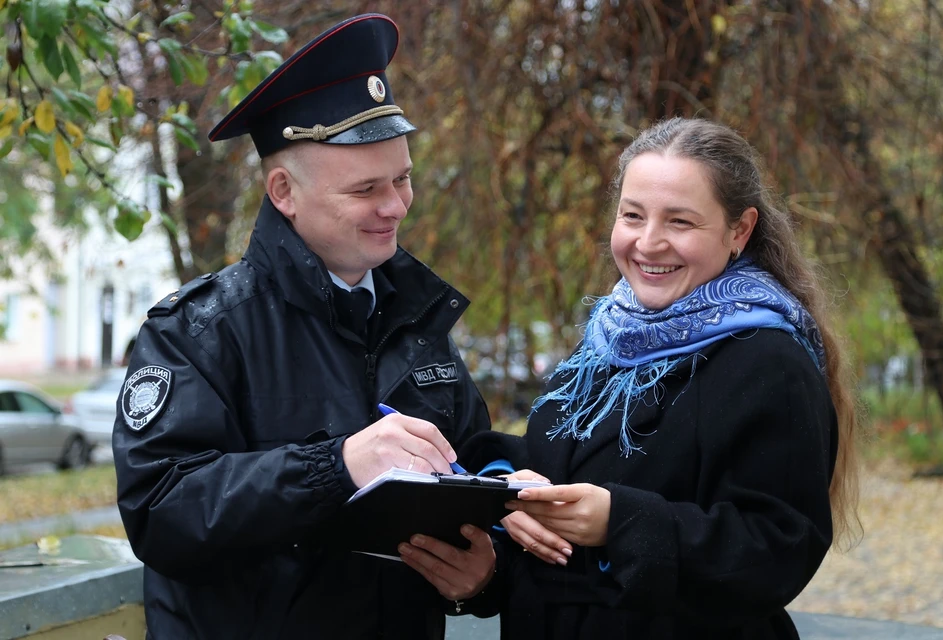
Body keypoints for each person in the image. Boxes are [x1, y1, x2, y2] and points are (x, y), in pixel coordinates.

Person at [113, 14, 495, 639]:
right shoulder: (199, 331)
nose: (396, 205)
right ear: (284, 191)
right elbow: (160, 510)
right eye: (366, 188)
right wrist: (336, 466)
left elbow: (469, 463)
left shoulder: (417, 319)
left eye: (403, 178)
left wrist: (488, 561)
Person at [455, 117, 860, 639]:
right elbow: (570, 465)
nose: (648, 243)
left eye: (680, 222)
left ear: (739, 230)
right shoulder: (609, 336)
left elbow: (778, 546)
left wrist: (622, 523)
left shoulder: (769, 361)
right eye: (633, 215)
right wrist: (505, 492)